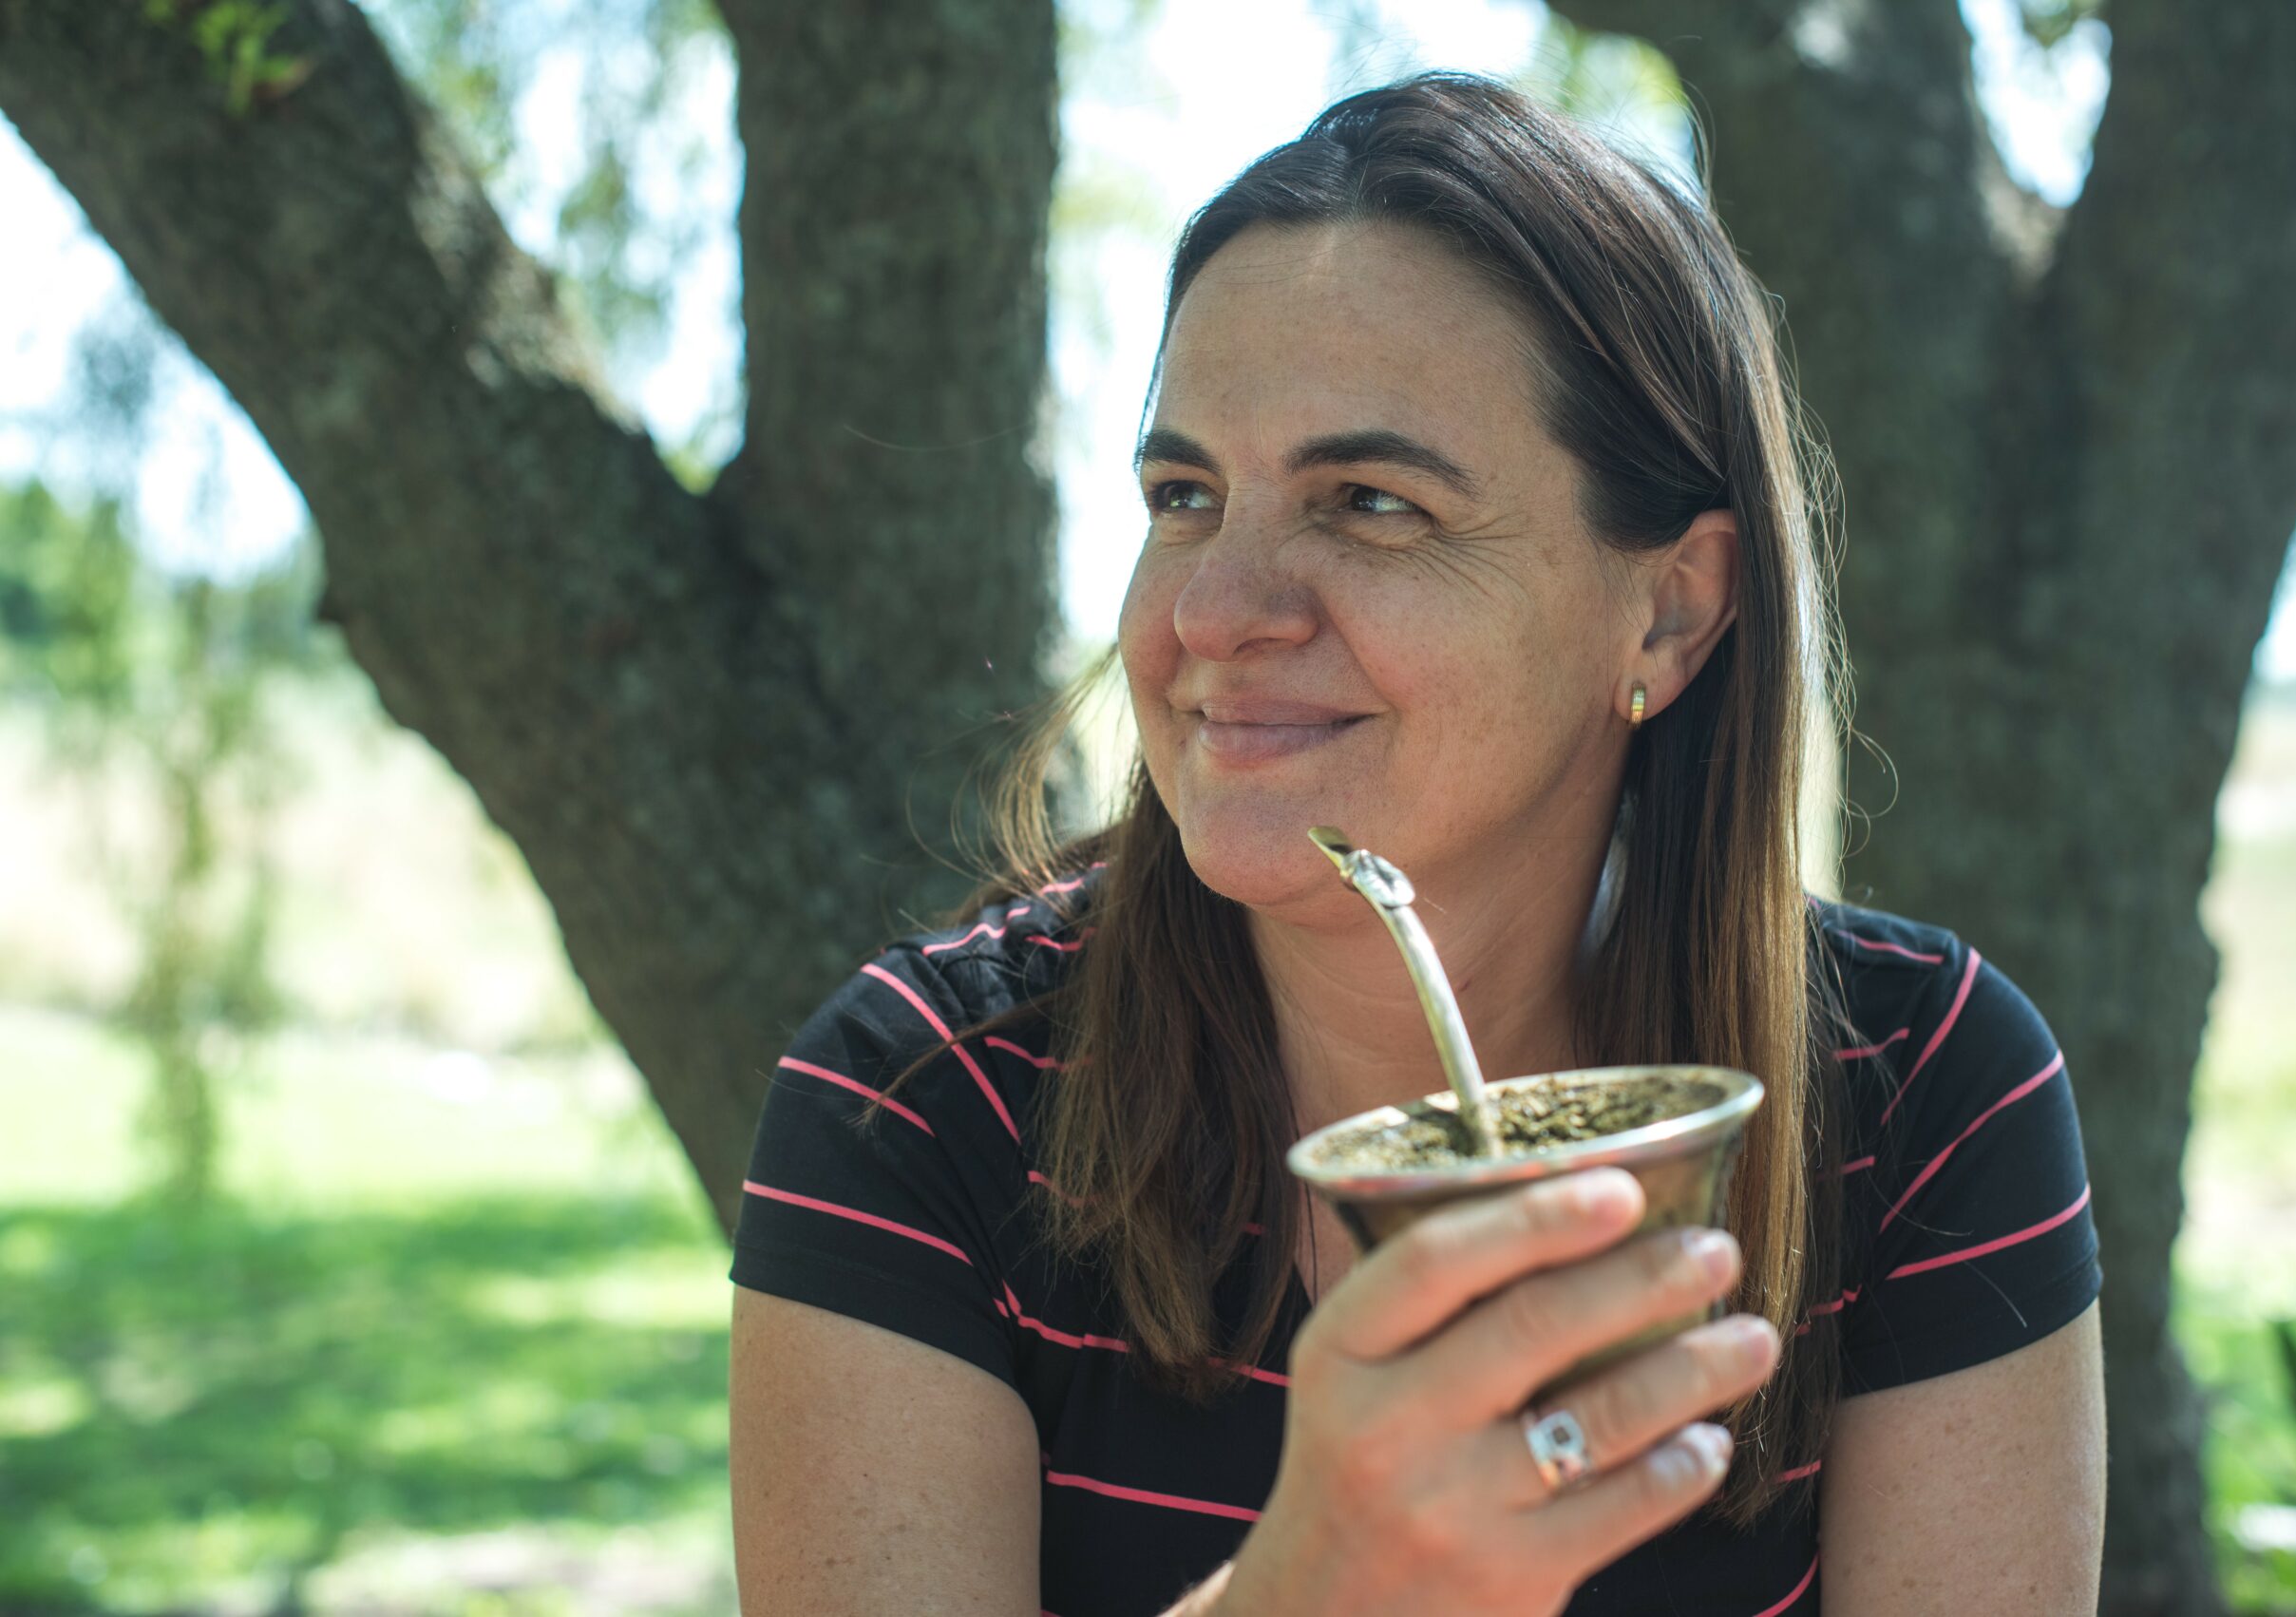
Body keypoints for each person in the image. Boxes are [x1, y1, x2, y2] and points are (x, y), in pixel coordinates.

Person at [726, 69, 2106, 1617]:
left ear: (1667, 605)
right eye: (1183, 493)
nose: (1212, 612)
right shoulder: (920, 1109)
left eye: (1369, 502)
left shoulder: (1920, 1092)